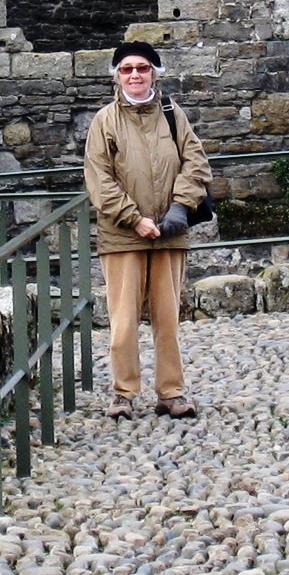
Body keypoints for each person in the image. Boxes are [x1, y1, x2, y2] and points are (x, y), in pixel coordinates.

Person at [82, 40, 212, 418]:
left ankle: (171, 392)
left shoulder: (173, 115)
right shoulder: (105, 120)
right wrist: (133, 218)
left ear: (154, 72)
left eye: (142, 68)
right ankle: (123, 392)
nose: (135, 75)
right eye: (126, 69)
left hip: (170, 233)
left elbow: (196, 164)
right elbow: (99, 177)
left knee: (168, 319)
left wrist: (178, 209)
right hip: (123, 236)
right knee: (123, 323)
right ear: (117, 76)